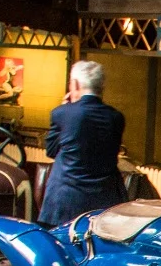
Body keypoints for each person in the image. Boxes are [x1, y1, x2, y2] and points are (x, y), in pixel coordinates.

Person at [40, 60, 126, 226]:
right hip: (105, 202)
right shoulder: (116, 117)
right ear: (101, 87)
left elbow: (51, 150)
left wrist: (66, 109)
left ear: (75, 84)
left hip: (65, 202)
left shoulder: (62, 113)